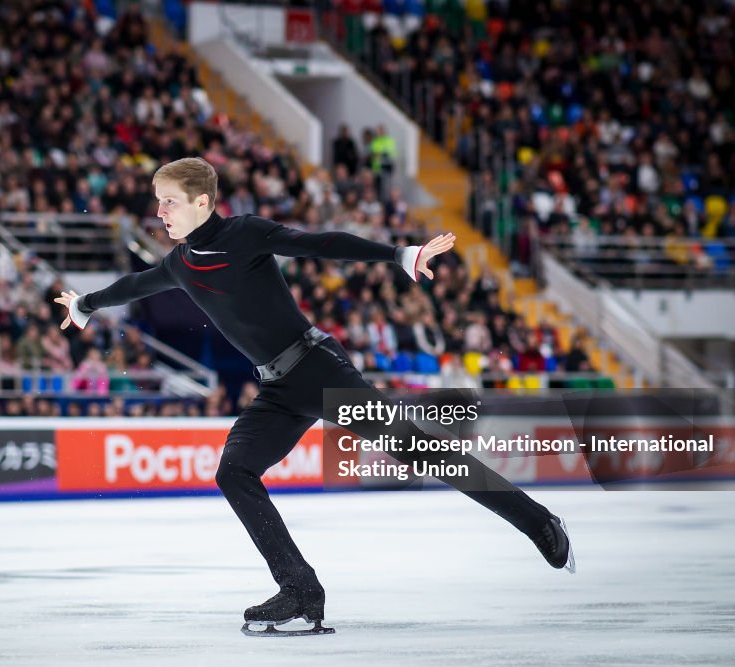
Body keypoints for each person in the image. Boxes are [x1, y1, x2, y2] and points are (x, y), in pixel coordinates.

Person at [53, 157, 574, 636]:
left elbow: (321, 243)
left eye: (168, 200)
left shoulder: (245, 233)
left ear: (202, 203)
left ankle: (538, 522)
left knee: (420, 449)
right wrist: (87, 305)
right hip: (278, 389)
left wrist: (399, 254)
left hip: (320, 370)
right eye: (158, 200)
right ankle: (301, 590)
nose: (160, 210)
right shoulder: (180, 263)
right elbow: (136, 285)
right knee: (233, 471)